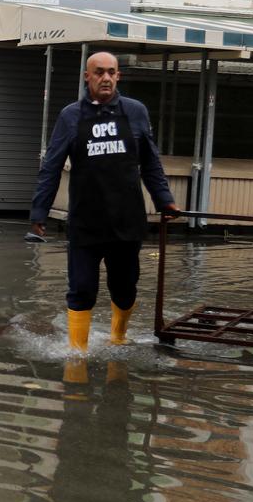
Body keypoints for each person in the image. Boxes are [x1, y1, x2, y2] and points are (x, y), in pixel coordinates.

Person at [31, 51, 178, 361]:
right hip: (85, 221)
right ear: (88, 77)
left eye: (111, 72)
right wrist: (39, 212)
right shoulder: (70, 116)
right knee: (82, 288)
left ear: (118, 75)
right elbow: (52, 167)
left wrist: (164, 200)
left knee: (125, 288)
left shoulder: (136, 112)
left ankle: (118, 337)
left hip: (127, 220)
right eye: (99, 72)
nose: (106, 78)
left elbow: (151, 162)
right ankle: (77, 355)